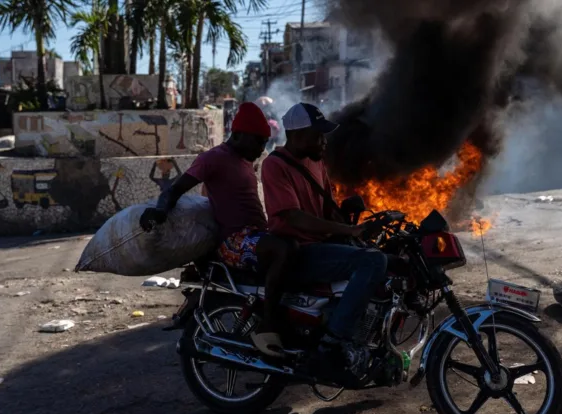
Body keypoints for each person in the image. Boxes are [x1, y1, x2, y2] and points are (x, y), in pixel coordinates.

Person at [140, 102, 297, 357]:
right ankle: (269, 325)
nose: (261, 149)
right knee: (283, 249)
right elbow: (175, 189)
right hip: (233, 241)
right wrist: (159, 211)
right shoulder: (213, 158)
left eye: (264, 142)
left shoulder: (245, 161)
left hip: (255, 236)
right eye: (258, 141)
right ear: (237, 135)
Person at [261, 102, 388, 376]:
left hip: (322, 245)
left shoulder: (317, 163)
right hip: (300, 252)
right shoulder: (274, 165)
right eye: (317, 135)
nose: (324, 141)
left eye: (324, 135)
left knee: (386, 257)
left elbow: (328, 207)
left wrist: (357, 221)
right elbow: (294, 217)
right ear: (296, 136)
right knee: (372, 263)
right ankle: (333, 343)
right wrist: (350, 232)